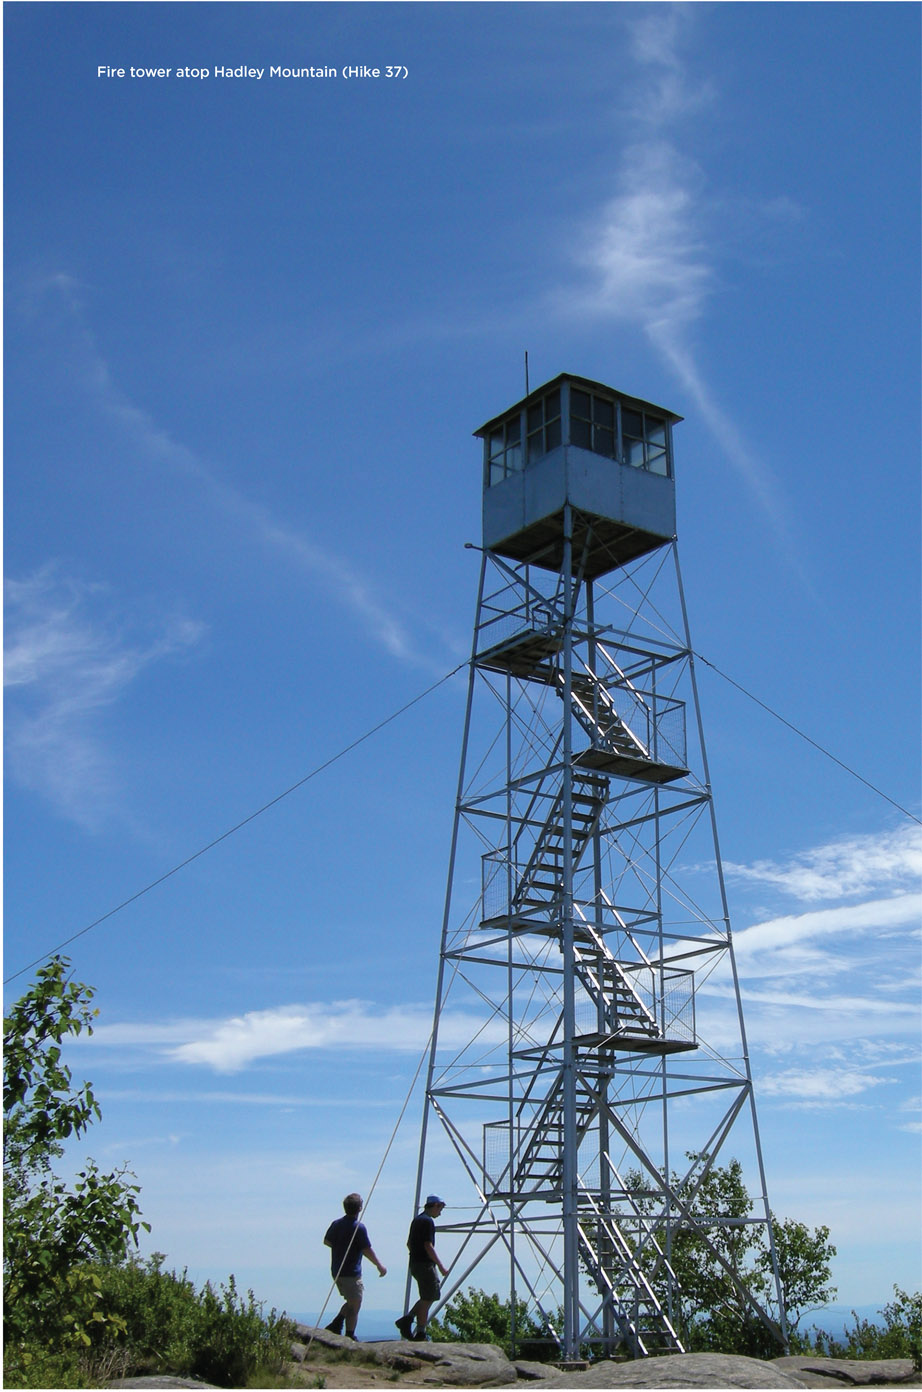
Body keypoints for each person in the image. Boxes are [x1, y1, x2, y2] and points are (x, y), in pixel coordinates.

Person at [323, 1192, 386, 1340]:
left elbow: (327, 1241)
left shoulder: (336, 1224)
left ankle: (336, 1323)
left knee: (351, 1301)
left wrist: (340, 1247)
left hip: (337, 1270)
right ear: (359, 1208)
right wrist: (379, 1265)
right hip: (351, 1272)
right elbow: (366, 1249)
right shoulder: (359, 1227)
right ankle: (349, 1334)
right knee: (355, 1304)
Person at [395, 1195, 448, 1341]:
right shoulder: (427, 1221)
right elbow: (428, 1245)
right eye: (440, 1209)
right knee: (429, 1296)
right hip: (425, 1264)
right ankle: (417, 1329)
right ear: (435, 1205)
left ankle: (414, 1325)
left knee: (428, 1297)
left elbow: (409, 1244)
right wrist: (441, 1266)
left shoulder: (417, 1220)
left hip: (415, 1263)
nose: (440, 1213)